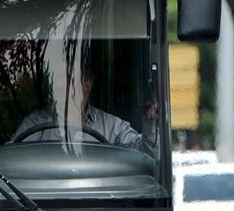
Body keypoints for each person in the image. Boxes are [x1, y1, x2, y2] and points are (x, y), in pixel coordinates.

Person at [13, 60, 158, 156]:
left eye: (67, 78)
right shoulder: (36, 123)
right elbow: (11, 158)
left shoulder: (110, 126)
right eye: (55, 78)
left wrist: (150, 124)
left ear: (86, 84)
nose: (57, 85)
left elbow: (148, 155)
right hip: (44, 200)